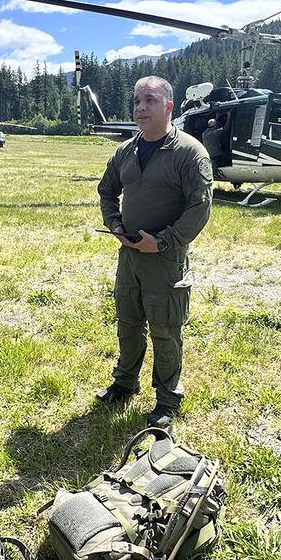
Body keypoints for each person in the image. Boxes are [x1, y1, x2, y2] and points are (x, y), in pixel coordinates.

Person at [96, 76, 213, 429]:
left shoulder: (189, 153)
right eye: (136, 101)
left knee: (165, 329)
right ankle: (124, 383)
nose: (140, 108)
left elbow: (200, 207)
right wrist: (115, 224)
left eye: (149, 100)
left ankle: (167, 399)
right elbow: (106, 190)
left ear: (169, 107)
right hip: (130, 255)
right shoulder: (126, 151)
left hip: (165, 258)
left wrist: (163, 241)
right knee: (128, 323)